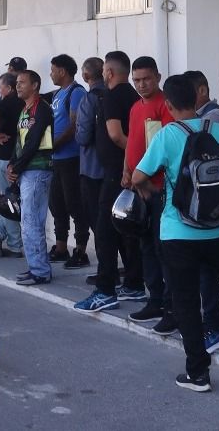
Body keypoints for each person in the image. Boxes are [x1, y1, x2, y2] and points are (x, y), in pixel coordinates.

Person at [132, 73, 219, 393]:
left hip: (177, 232)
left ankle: (198, 373)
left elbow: (139, 175)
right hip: (218, 230)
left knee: (184, 299)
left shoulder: (168, 135)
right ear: (196, 99)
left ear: (168, 104)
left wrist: (149, 192)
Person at [75, 50, 145, 312]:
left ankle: (105, 290)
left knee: (105, 231)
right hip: (124, 172)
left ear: (109, 72)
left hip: (117, 173)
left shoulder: (113, 96)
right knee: (126, 230)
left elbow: (116, 135)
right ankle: (135, 284)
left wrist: (133, 161)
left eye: (105, 69)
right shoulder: (135, 98)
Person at [184, 69, 219, 355]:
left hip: (213, 208)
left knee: (212, 270)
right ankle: (215, 324)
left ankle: (216, 325)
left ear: (202, 91)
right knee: (213, 269)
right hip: (211, 207)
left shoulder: (213, 118)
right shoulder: (205, 117)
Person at [124, 56, 176, 334]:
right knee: (146, 247)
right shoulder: (135, 107)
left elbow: (167, 147)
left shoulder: (165, 106)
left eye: (146, 79)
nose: (142, 84)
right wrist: (126, 170)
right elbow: (132, 142)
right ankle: (154, 299)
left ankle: (171, 307)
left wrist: (146, 182)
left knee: (162, 249)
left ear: (158, 76)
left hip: (158, 190)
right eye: (137, 80)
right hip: (138, 188)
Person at [6, 68, 54, 286]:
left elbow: (34, 141)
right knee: (28, 220)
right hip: (26, 170)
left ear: (35, 85)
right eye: (16, 82)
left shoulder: (41, 109)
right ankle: (36, 266)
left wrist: (17, 167)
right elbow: (20, 141)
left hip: (38, 170)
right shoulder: (24, 110)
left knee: (32, 221)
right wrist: (11, 164)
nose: (18, 85)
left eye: (22, 82)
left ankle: (40, 271)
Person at [47, 53, 89, 268]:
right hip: (57, 159)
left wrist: (54, 144)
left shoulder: (76, 92)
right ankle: (61, 246)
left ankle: (81, 250)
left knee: (75, 205)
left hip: (71, 158)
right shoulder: (56, 95)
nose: (51, 74)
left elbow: (74, 125)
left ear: (62, 71)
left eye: (53, 70)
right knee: (57, 204)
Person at [0, 71, 24, 259]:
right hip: (22, 157)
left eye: (0, 87)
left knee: (7, 201)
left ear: (8, 88)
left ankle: (15, 245)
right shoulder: (25, 103)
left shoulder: (6, 103)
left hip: (4, 157)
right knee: (15, 200)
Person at [74, 57, 105, 265]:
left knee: (98, 221)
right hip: (114, 168)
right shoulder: (114, 94)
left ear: (86, 76)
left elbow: (83, 137)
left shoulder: (89, 99)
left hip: (92, 168)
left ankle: (105, 268)